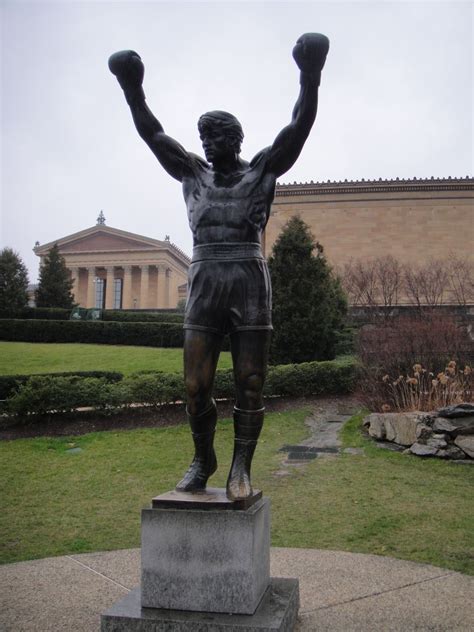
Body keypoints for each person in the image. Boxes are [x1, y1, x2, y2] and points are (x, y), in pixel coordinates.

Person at [108, 33, 329, 500]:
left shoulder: (262, 170)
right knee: (194, 385)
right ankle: (202, 457)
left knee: (250, 381)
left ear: (235, 139)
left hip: (248, 279)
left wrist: (310, 74)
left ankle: (240, 469)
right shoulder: (191, 173)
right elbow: (154, 134)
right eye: (203, 137)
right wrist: (133, 89)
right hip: (205, 279)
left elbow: (299, 126)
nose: (207, 144)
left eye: (215, 137)